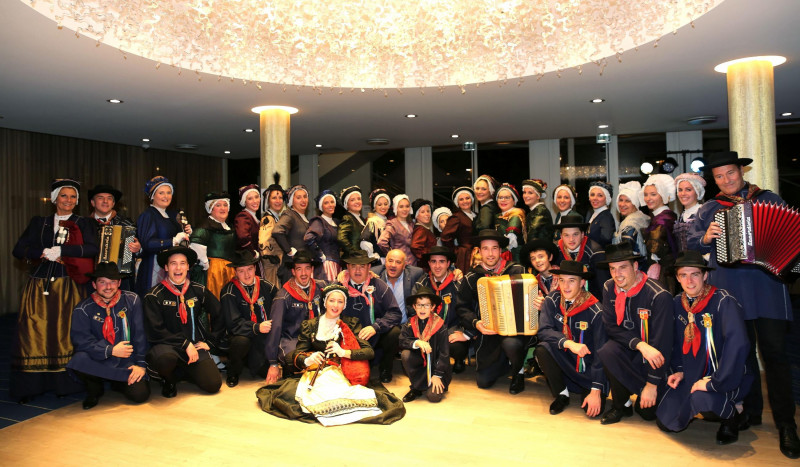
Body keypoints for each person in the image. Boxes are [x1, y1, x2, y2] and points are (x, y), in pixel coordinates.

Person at [688, 150, 799, 459]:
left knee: (776, 356)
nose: (726, 180)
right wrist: (706, 237)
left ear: (741, 172)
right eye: (719, 176)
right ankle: (746, 412)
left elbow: (792, 235)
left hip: (769, 291)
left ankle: (786, 424)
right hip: (731, 291)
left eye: (730, 173)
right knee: (741, 355)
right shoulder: (710, 208)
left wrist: (793, 265)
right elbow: (692, 244)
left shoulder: (770, 199)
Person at [255, 284, 405, 426]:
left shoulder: (351, 323)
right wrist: (308, 359)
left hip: (343, 373)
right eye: (332, 300)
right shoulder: (310, 325)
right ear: (325, 303)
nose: (335, 305)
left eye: (340, 302)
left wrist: (343, 352)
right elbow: (298, 353)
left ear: (344, 305)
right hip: (317, 373)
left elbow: (368, 352)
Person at [11, 178, 98, 402]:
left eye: (72, 197)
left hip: (68, 285)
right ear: (54, 199)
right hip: (38, 286)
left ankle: (67, 385)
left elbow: (91, 248)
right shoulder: (39, 222)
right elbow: (19, 248)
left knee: (65, 332)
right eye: (64, 196)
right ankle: (31, 386)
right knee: (33, 332)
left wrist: (63, 252)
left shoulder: (83, 222)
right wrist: (41, 252)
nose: (68, 200)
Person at [656, 250, 752, 445]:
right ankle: (708, 401)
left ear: (705, 275)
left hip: (722, 375)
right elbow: (675, 341)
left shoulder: (723, 301)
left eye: (695, 274)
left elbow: (738, 344)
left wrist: (712, 383)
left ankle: (733, 416)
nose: (689, 281)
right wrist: (680, 370)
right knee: (665, 420)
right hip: (692, 372)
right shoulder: (677, 302)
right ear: (677, 277)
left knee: (703, 400)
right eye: (683, 275)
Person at [595, 241, 673, 425]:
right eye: (612, 269)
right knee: (608, 350)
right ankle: (621, 404)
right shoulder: (609, 287)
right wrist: (639, 344)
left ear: (635, 266)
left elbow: (663, 343)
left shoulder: (658, 295)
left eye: (622, 268)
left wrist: (652, 385)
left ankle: (647, 391)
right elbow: (611, 327)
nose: (617, 274)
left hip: (654, 359)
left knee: (647, 414)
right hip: (632, 349)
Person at [456, 229, 531, 394]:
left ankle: (518, 371)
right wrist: (476, 323)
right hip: (488, 333)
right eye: (485, 249)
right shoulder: (472, 277)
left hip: (514, 332)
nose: (490, 253)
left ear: (501, 250)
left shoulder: (517, 271)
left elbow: (529, 299)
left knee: (510, 343)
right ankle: (505, 363)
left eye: (494, 248)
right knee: (483, 382)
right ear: (479, 251)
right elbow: (462, 307)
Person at [67, 262, 150, 409]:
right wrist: (110, 350)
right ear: (94, 284)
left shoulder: (132, 300)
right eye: (102, 282)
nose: (108, 287)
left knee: (140, 395)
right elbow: (82, 342)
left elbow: (140, 336)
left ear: (119, 282)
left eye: (112, 282)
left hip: (126, 363)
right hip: (99, 360)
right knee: (79, 360)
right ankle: (95, 390)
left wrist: (141, 365)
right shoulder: (83, 308)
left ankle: (117, 382)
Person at [142, 246, 223, 398]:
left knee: (213, 384)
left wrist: (211, 342)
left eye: (182, 263)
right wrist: (185, 344)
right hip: (168, 348)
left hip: (195, 347)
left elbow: (220, 313)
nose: (178, 268)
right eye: (173, 263)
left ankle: (185, 372)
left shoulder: (199, 290)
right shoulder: (153, 295)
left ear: (188, 267)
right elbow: (155, 330)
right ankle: (168, 380)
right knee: (165, 359)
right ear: (166, 267)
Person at [535, 260, 607, 417]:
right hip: (564, 361)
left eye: (571, 281)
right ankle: (562, 393)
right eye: (562, 280)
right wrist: (568, 343)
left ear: (582, 282)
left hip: (587, 370)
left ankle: (590, 390)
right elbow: (544, 330)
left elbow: (602, 352)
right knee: (542, 349)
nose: (565, 286)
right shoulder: (552, 300)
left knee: (593, 412)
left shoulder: (595, 310)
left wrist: (596, 389)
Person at [340, 250, 403, 383]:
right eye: (353, 266)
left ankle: (385, 369)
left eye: (362, 266)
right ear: (347, 267)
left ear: (369, 268)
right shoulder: (339, 286)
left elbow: (395, 313)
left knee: (395, 332)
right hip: (348, 341)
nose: (358, 270)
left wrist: (376, 327)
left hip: (373, 339)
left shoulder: (379, 286)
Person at [264, 250, 325, 384]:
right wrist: (273, 363)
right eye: (299, 269)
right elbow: (275, 328)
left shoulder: (321, 287)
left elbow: (341, 288)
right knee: (296, 360)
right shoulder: (283, 296)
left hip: (315, 339)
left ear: (312, 269)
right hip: (292, 340)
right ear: (293, 271)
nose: (303, 274)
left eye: (307, 268)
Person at [219, 250, 279, 387]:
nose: (247, 275)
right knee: (241, 342)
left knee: (265, 372)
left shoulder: (266, 285)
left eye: (250, 269)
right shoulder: (229, 291)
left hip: (261, 338)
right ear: (235, 272)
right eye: (241, 271)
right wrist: (257, 327)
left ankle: (252, 361)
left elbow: (279, 303)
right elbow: (233, 324)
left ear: (255, 268)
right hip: (240, 337)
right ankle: (233, 371)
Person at [413, 246, 468, 373]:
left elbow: (466, 309)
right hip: (427, 329)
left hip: (451, 328)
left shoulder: (458, 282)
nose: (437, 266)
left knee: (458, 347)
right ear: (429, 263)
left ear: (449, 264)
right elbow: (412, 309)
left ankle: (458, 359)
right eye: (433, 261)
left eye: (442, 261)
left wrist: (462, 332)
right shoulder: (422, 283)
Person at [135, 176, 191, 296]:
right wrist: (173, 241)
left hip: (171, 266)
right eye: (161, 193)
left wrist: (186, 232)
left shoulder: (171, 215)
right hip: (154, 267)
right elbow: (147, 243)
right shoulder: (148, 215)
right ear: (152, 196)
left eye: (169, 193)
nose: (166, 196)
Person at [399, 287, 452, 403]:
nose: (422, 309)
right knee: (406, 355)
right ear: (414, 307)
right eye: (419, 305)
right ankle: (416, 387)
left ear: (433, 307)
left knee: (433, 397)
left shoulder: (440, 326)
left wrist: (438, 375)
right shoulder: (410, 323)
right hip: (420, 367)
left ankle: (432, 383)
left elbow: (444, 353)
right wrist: (416, 342)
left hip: (437, 368)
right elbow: (402, 340)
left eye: (427, 305)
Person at [87, 184, 142, 291]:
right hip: (93, 281)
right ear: (92, 203)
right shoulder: (85, 225)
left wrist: (138, 247)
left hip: (121, 281)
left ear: (113, 203)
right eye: (100, 198)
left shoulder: (126, 223)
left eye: (109, 198)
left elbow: (138, 248)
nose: (105, 201)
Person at [189, 191, 236, 299]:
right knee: (215, 300)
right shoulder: (206, 225)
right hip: (213, 273)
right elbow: (196, 244)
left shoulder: (228, 227)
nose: (223, 208)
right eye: (218, 205)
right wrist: (205, 262)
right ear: (210, 209)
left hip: (228, 271)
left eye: (225, 205)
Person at [552, 212, 608, 298]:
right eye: (566, 235)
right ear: (561, 237)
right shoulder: (554, 250)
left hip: (590, 301)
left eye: (575, 234)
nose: (571, 239)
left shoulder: (596, 253)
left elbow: (603, 287)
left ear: (582, 234)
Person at [639, 173, 678, 293]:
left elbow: (656, 250)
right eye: (646, 194)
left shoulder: (662, 220)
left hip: (665, 274)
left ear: (663, 195)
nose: (648, 198)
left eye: (653, 194)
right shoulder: (661, 217)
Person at [372, 249, 425, 325]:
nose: (393, 265)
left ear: (404, 265)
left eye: (398, 262)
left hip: (407, 325)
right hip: (384, 326)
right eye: (390, 261)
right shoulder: (375, 275)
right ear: (385, 263)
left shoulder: (416, 274)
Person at [305, 189, 341, 281]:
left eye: (332, 202)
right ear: (321, 206)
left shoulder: (336, 222)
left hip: (337, 264)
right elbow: (308, 238)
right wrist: (320, 254)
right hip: (326, 266)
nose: (330, 205)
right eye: (326, 203)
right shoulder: (319, 221)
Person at [440, 186, 476, 274]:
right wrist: (457, 251)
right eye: (461, 199)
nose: (465, 201)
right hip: (465, 256)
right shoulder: (456, 217)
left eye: (467, 198)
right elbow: (445, 237)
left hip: (478, 255)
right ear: (457, 203)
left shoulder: (476, 215)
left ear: (471, 199)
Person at [273, 184, 311, 264]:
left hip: (304, 264)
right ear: (291, 201)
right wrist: (289, 251)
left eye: (305, 196)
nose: (303, 200)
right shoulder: (290, 214)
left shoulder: (304, 218)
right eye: (298, 197)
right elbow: (277, 231)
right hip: (293, 265)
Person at [613, 181, 649, 265]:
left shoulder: (629, 224)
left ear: (635, 203)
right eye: (620, 200)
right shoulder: (642, 218)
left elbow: (626, 254)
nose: (622, 204)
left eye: (627, 201)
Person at [260, 176, 286, 286]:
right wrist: (269, 257)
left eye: (280, 198)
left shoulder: (278, 218)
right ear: (268, 200)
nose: (278, 201)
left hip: (278, 262)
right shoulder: (268, 219)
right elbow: (263, 242)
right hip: (272, 265)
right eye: (274, 198)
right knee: (273, 291)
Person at [378, 194, 415, 265]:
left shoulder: (411, 224)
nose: (405, 209)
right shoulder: (392, 224)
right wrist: (392, 255)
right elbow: (381, 242)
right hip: (400, 265)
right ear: (396, 208)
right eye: (401, 207)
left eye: (407, 206)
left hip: (413, 264)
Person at [673, 172, 706, 252]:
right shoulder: (682, 216)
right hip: (683, 261)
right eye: (680, 190)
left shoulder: (703, 213)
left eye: (688, 189)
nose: (683, 194)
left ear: (697, 192)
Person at [494, 183, 526, 262]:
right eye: (500, 197)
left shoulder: (516, 215)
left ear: (514, 201)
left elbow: (510, 240)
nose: (503, 200)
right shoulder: (498, 216)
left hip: (514, 257)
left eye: (507, 197)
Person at [360, 188, 392, 262]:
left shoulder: (388, 221)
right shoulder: (372, 222)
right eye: (379, 204)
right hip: (380, 262)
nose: (383, 207)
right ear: (374, 206)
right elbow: (364, 240)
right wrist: (372, 255)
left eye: (385, 204)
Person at [336, 185, 368, 260]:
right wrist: (354, 252)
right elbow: (341, 238)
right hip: (352, 261)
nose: (357, 202)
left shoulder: (362, 219)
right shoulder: (347, 218)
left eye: (359, 199)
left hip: (362, 259)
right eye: (352, 200)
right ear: (346, 205)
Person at [586, 181, 616, 251]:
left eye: (600, 195)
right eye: (592, 195)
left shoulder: (606, 216)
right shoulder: (593, 214)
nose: (595, 198)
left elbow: (606, 238)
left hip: (600, 257)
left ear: (607, 199)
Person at [410, 198, 437, 267]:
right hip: (424, 267)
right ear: (416, 216)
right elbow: (415, 247)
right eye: (423, 212)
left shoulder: (424, 229)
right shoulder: (421, 230)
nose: (427, 214)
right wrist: (431, 254)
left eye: (428, 211)